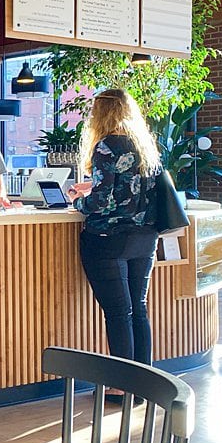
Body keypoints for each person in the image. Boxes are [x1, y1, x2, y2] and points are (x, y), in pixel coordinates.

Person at [65, 89, 160, 369]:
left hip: (108, 240)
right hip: (145, 237)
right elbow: (132, 189)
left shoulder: (106, 146)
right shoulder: (144, 146)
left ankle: (122, 386)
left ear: (102, 113)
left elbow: (101, 202)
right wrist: (93, 186)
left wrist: (78, 200)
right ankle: (145, 378)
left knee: (119, 313)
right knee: (138, 309)